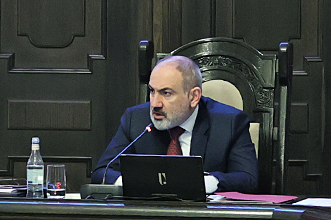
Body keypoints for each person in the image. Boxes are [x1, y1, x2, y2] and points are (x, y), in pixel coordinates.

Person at [92, 55, 258, 193]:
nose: (155, 103)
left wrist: (204, 182)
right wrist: (132, 182)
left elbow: (248, 179)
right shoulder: (135, 119)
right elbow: (102, 172)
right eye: (152, 91)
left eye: (166, 93)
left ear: (194, 97)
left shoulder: (229, 123)